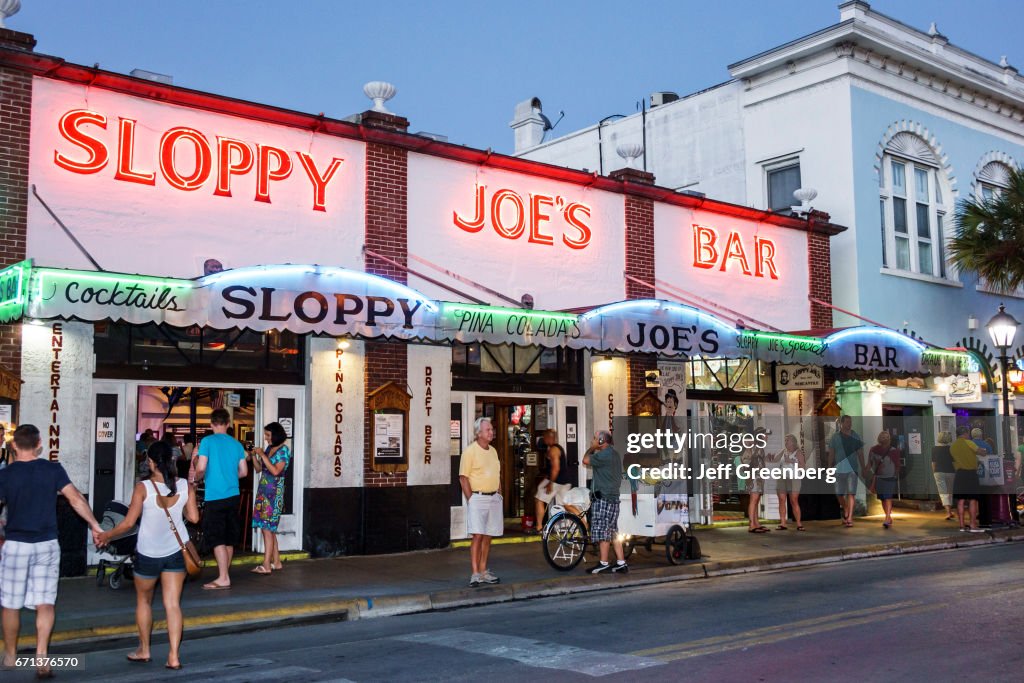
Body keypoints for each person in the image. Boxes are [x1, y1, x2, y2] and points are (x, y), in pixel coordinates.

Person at [0, 425, 103, 678]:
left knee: (10, 605)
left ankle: (11, 655)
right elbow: (76, 498)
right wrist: (95, 525)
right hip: (47, 544)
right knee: (45, 602)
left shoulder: (6, 475)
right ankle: (42, 657)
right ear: (38, 445)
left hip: (15, 545)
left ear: (14, 446)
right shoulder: (52, 469)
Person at [97, 440, 198, 670]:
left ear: (151, 462)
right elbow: (194, 518)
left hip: (148, 554)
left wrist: (107, 535)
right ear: (172, 461)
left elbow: (128, 524)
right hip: (175, 551)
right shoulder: (184, 486)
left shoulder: (143, 488)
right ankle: (173, 656)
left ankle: (144, 649)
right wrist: (179, 503)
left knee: (144, 601)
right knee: (173, 604)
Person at [195, 408, 247, 590]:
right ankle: (224, 574)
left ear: (211, 424)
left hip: (214, 496)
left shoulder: (207, 442)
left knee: (217, 537)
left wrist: (196, 478)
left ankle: (223, 577)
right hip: (233, 495)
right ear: (228, 424)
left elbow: (201, 467)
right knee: (229, 537)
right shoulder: (236, 444)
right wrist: (229, 476)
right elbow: (244, 472)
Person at [459, 417, 503, 587]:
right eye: (488, 430)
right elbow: (463, 478)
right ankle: (475, 573)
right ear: (479, 433)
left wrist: (499, 494)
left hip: (493, 498)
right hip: (478, 498)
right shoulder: (470, 452)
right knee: (477, 535)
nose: (491, 432)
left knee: (488, 535)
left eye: (491, 429)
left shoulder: (493, 451)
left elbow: (496, 474)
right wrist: (472, 499)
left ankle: (484, 570)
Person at [582, 430, 628, 574]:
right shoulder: (614, 454)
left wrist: (592, 448)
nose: (593, 440)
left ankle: (603, 563)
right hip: (614, 499)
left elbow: (585, 460)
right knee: (613, 532)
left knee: (603, 533)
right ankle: (621, 562)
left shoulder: (602, 455)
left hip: (603, 499)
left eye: (595, 438)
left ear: (602, 441)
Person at [250, 422, 292, 574]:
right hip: (263, 492)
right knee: (267, 528)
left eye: (268, 435)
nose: (266, 438)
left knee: (268, 528)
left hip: (274, 493)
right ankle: (277, 562)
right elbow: (259, 469)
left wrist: (262, 454)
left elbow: (275, 471)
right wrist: (254, 456)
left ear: (276, 435)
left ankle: (266, 565)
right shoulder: (269, 449)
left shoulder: (284, 451)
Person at [827, 415, 865, 527]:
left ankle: (849, 518)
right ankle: (846, 508)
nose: (850, 424)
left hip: (852, 469)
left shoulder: (856, 436)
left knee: (851, 494)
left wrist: (863, 467)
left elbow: (860, 453)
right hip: (839, 469)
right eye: (847, 422)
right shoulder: (835, 437)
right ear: (842, 423)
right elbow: (831, 452)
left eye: (850, 422)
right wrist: (829, 466)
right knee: (839, 494)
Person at [951, 425, 986, 532]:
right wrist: (981, 450)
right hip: (971, 474)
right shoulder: (969, 442)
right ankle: (972, 525)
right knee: (972, 500)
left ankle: (961, 525)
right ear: (966, 433)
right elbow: (982, 452)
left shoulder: (953, 446)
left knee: (960, 500)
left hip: (959, 474)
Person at [534, 430, 570, 529]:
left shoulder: (553, 449)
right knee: (564, 505)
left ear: (549, 437)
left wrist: (551, 483)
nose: (543, 439)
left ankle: (539, 526)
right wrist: (547, 477)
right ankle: (565, 527)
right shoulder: (556, 448)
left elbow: (556, 468)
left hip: (556, 481)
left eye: (544, 437)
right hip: (565, 481)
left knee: (539, 499)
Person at [772, 434, 805, 531]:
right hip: (782, 477)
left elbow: (803, 466)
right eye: (785, 440)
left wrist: (791, 461)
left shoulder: (798, 452)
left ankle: (799, 524)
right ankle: (783, 523)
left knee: (793, 500)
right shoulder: (783, 451)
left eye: (788, 440)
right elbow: (775, 459)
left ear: (793, 442)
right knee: (781, 500)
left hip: (794, 478)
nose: (786, 442)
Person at [868, 431, 901, 529]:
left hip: (890, 477)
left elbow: (897, 465)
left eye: (886, 436)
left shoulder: (893, 450)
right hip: (879, 477)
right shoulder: (873, 449)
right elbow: (870, 463)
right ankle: (888, 516)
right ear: (879, 438)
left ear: (889, 439)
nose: (884, 438)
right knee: (882, 498)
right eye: (882, 436)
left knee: (888, 497)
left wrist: (895, 475)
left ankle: (887, 518)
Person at [743, 434, 770, 533]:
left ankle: (756, 523)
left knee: (756, 499)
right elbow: (747, 464)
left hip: (759, 477)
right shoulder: (749, 451)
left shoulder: (757, 448)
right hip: (753, 478)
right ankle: (751, 525)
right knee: (754, 500)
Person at [931, 432, 956, 520]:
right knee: (949, 492)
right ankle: (950, 511)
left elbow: (933, 463)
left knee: (943, 492)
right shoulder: (952, 449)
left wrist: (934, 472)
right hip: (950, 472)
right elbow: (954, 462)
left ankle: (948, 512)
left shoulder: (934, 449)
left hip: (939, 472)